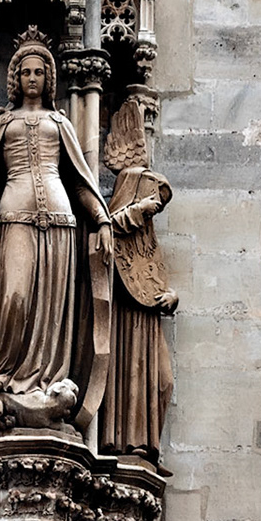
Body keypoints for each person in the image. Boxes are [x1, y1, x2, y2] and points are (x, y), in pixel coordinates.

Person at [0, 32, 113, 434]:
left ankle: (47, 381)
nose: (32, 78)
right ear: (15, 78)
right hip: (13, 217)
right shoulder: (2, 123)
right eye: (25, 71)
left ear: (49, 78)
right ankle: (4, 375)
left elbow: (82, 183)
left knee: (50, 308)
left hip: (60, 221)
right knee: (15, 298)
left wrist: (102, 219)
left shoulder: (60, 124)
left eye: (40, 71)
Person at [100, 97, 177, 459]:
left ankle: (145, 446)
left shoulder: (149, 239)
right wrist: (140, 210)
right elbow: (108, 233)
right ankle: (127, 444)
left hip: (146, 314)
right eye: (153, 198)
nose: (157, 207)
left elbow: (152, 273)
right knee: (129, 382)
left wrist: (170, 296)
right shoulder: (129, 215)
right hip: (125, 315)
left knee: (163, 382)